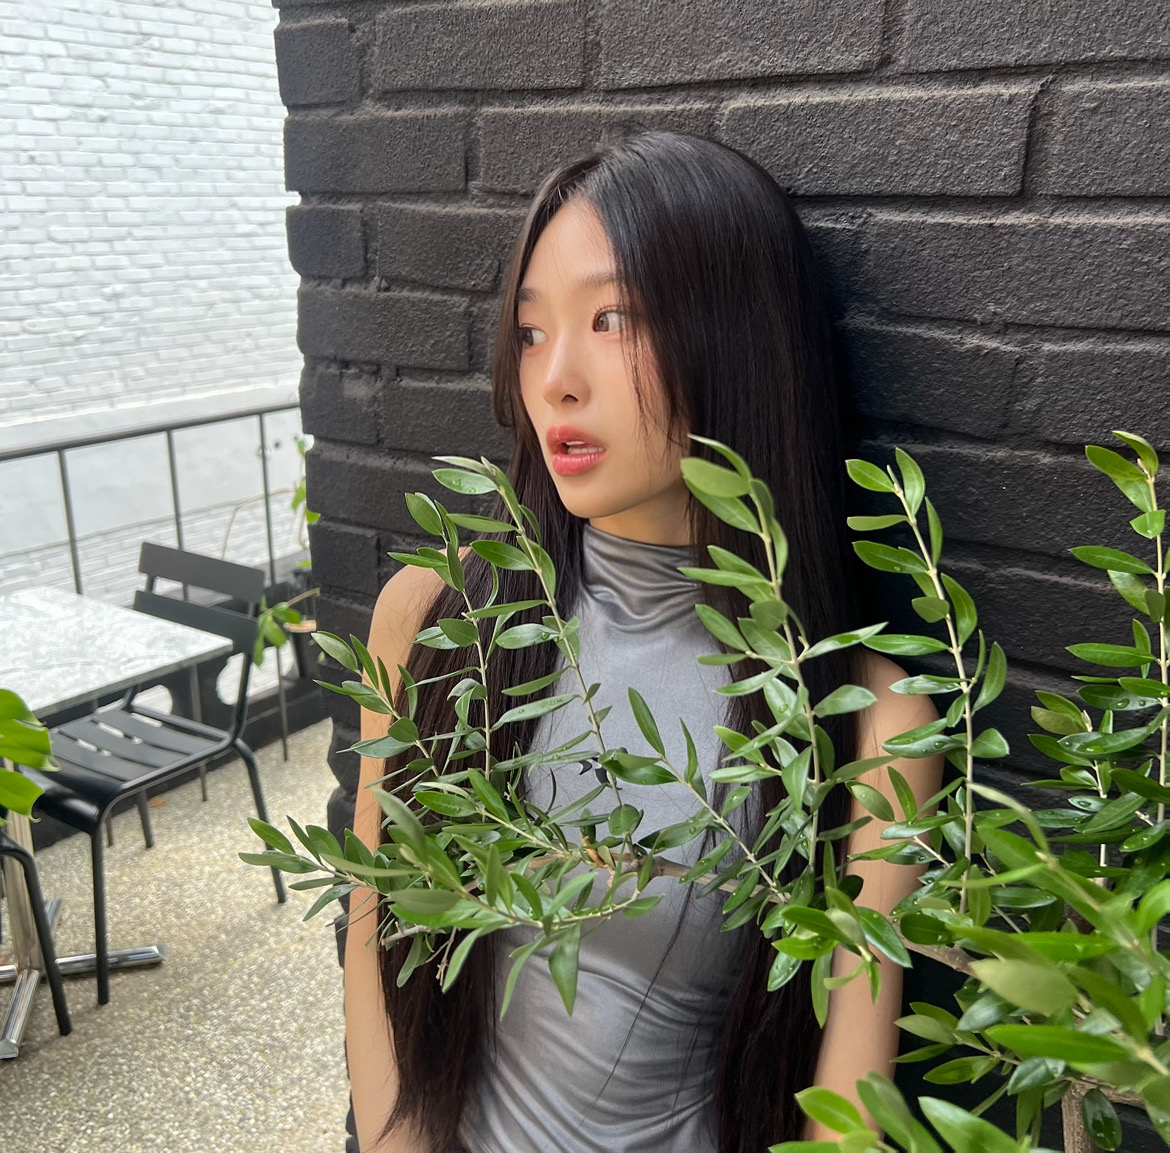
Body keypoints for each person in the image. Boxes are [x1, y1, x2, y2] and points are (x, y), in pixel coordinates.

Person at [344, 130, 943, 1153]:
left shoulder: (867, 720)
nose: (555, 380)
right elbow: (373, 929)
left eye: (610, 318)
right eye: (531, 332)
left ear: (733, 338)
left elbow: (845, 1116)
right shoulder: (434, 620)